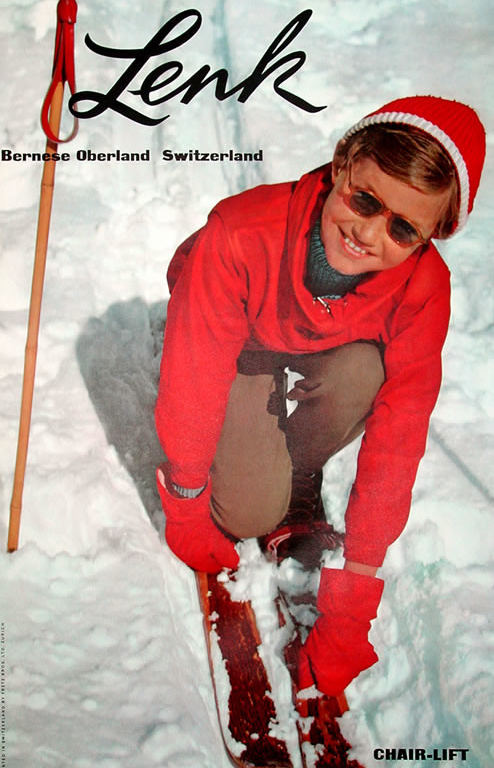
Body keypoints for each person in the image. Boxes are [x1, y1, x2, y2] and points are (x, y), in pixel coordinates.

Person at [154, 96, 486, 697]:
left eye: (403, 229)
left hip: (327, 343)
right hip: (236, 340)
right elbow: (194, 379)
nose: (368, 233)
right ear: (341, 166)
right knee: (246, 515)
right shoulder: (240, 232)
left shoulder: (424, 286)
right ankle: (254, 445)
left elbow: (401, 429)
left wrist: (353, 603)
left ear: (431, 236)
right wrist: (185, 498)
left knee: (367, 371)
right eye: (365, 200)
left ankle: (298, 468)